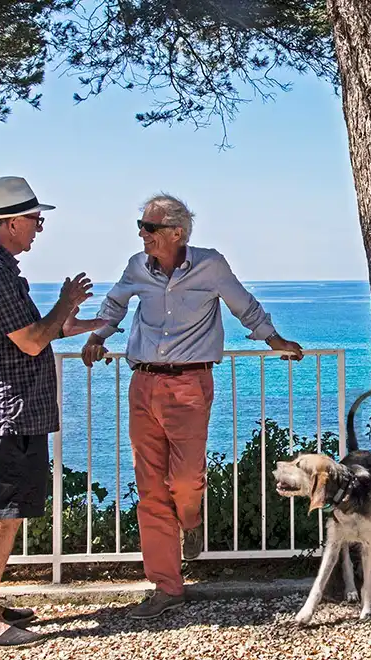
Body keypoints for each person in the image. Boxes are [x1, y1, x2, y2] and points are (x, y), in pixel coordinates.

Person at [80, 194, 304, 620]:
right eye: (141, 226)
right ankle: (166, 585)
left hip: (189, 385)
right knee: (149, 488)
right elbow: (113, 305)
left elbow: (245, 306)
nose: (142, 234)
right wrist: (97, 337)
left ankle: (191, 519)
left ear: (176, 233)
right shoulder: (135, 267)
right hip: (142, 383)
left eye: (149, 227)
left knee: (183, 481)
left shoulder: (210, 265)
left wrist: (275, 340)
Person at [0, 176, 101, 648]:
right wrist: (66, 303)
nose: (40, 227)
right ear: (11, 222)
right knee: (4, 512)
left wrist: (94, 324)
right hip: (2, 408)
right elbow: (32, 340)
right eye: (35, 219)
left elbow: (33, 330)